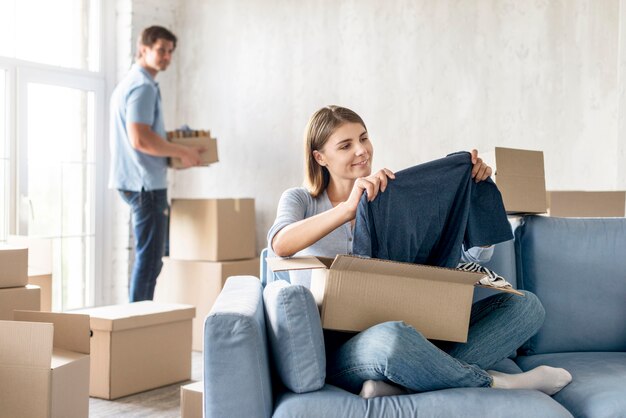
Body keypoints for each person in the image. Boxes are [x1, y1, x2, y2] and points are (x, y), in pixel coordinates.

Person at [268, 105, 572, 398]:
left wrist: (475, 197)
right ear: (320, 157)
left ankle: (411, 380)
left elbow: (454, 261)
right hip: (354, 346)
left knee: (527, 307)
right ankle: (495, 383)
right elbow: (280, 243)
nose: (361, 150)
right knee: (394, 338)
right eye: (345, 145)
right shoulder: (301, 200)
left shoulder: (389, 198)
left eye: (363, 137)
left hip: (417, 329)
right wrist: (350, 208)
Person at [109, 26, 204, 302]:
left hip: (136, 180)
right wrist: (180, 151)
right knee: (149, 262)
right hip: (145, 186)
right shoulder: (143, 86)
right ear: (144, 49)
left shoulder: (129, 83)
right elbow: (139, 138)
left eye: (170, 52)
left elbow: (142, 142)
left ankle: (139, 322)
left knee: (154, 255)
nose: (166, 57)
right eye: (161, 50)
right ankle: (137, 325)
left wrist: (177, 155)